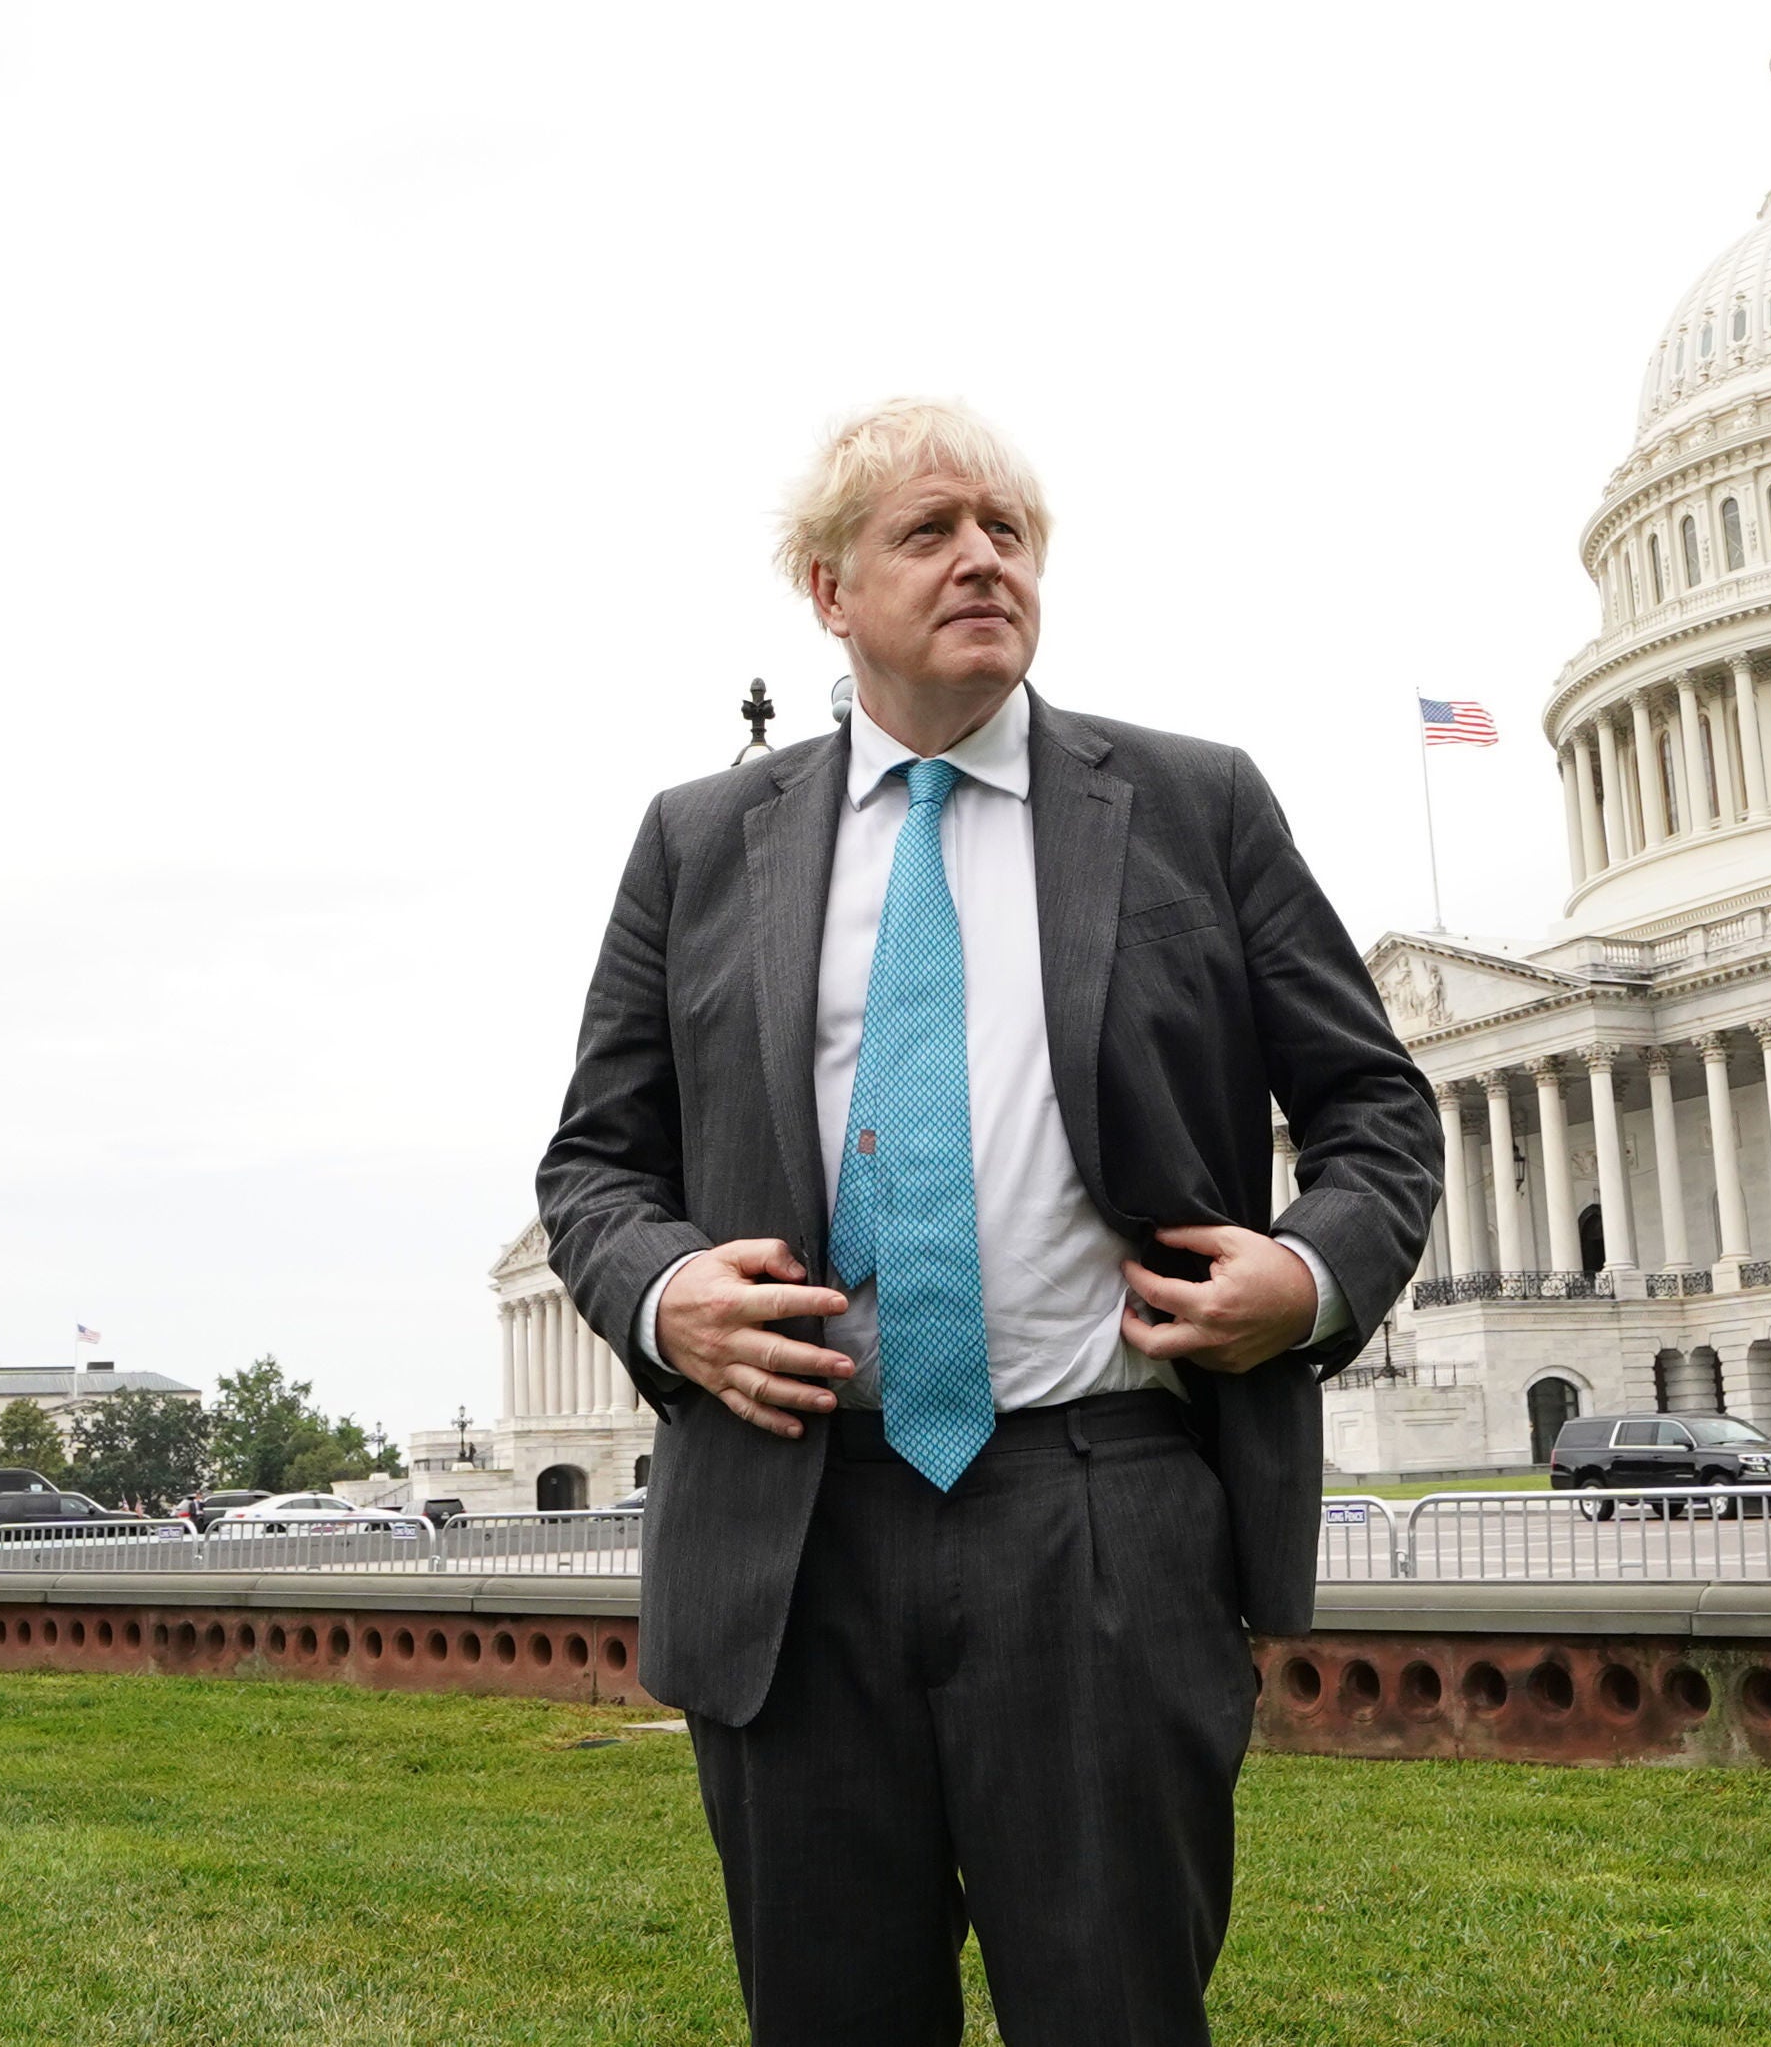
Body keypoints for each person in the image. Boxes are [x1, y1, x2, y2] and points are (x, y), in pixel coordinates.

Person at [538, 398, 1440, 2045]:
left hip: (1098, 1515)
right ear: (829, 589)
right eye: (932, 530)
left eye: (1008, 532)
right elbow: (594, 1166)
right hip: (795, 1537)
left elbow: (1379, 1110)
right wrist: (664, 1292)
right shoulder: (695, 843)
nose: (982, 560)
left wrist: (1303, 1274)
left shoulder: (1192, 805)